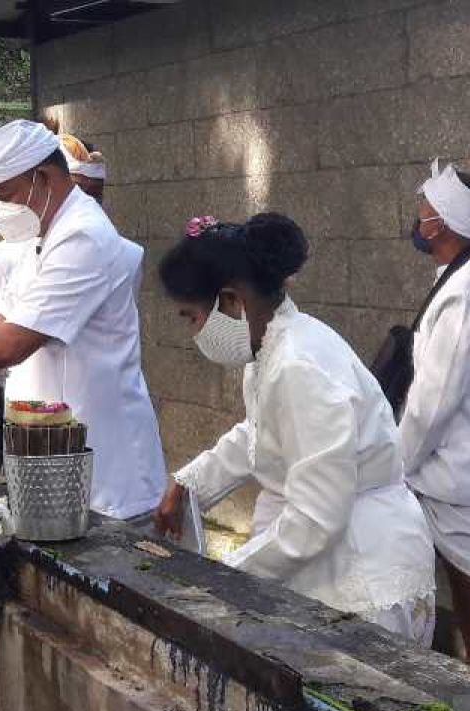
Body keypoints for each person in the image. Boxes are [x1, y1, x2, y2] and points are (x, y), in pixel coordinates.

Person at [153, 213, 437, 645]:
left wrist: (224, 580)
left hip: (363, 577)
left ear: (231, 302)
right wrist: (191, 481)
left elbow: (315, 518)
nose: (193, 333)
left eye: (192, 317)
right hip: (339, 569)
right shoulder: (271, 347)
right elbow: (259, 432)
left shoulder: (298, 365)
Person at [0, 120, 166, 523]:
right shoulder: (48, 235)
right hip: (57, 445)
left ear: (43, 177)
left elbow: (13, 343)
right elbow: (13, 319)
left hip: (104, 460)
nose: (6, 208)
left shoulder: (82, 237)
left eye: (8, 195)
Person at [400, 161, 470, 677]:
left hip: (462, 476)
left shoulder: (466, 292)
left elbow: (432, 404)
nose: (417, 219)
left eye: (423, 211)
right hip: (453, 472)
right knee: (468, 591)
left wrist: (393, 465)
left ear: (441, 224)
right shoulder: (462, 278)